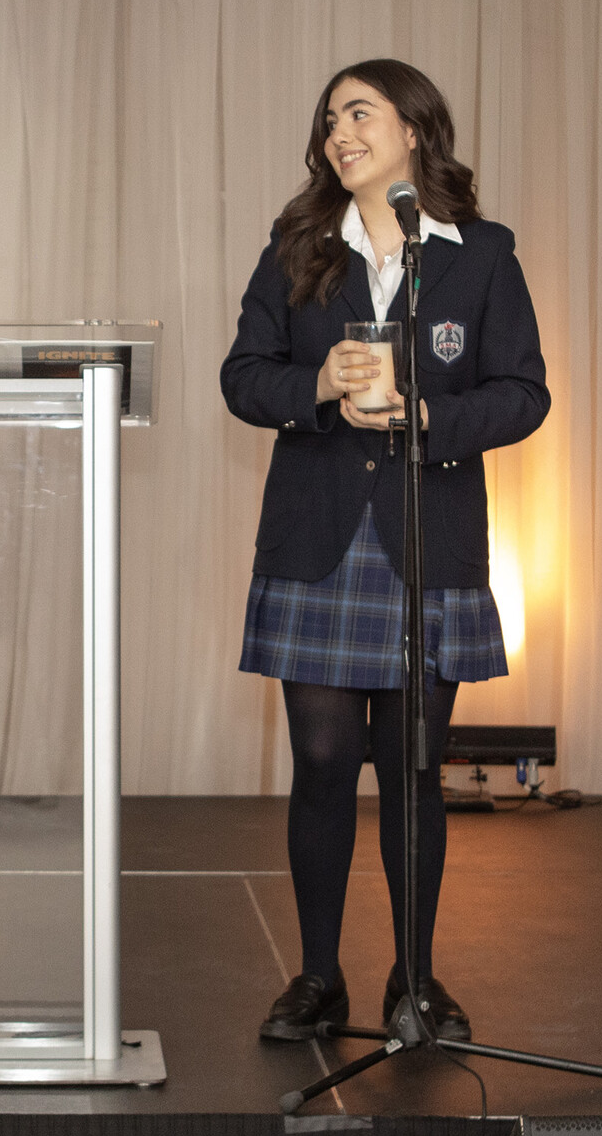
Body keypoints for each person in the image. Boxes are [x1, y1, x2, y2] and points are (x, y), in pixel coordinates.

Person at [223, 59, 550, 1048]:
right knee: (323, 764)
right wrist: (316, 382)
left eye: (358, 113)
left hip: (425, 535)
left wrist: (430, 416)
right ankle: (319, 978)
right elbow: (244, 379)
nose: (339, 133)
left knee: (413, 769)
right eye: (329, 120)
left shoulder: (479, 255)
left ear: (414, 129)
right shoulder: (298, 250)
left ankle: (417, 979)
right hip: (317, 538)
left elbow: (524, 393)